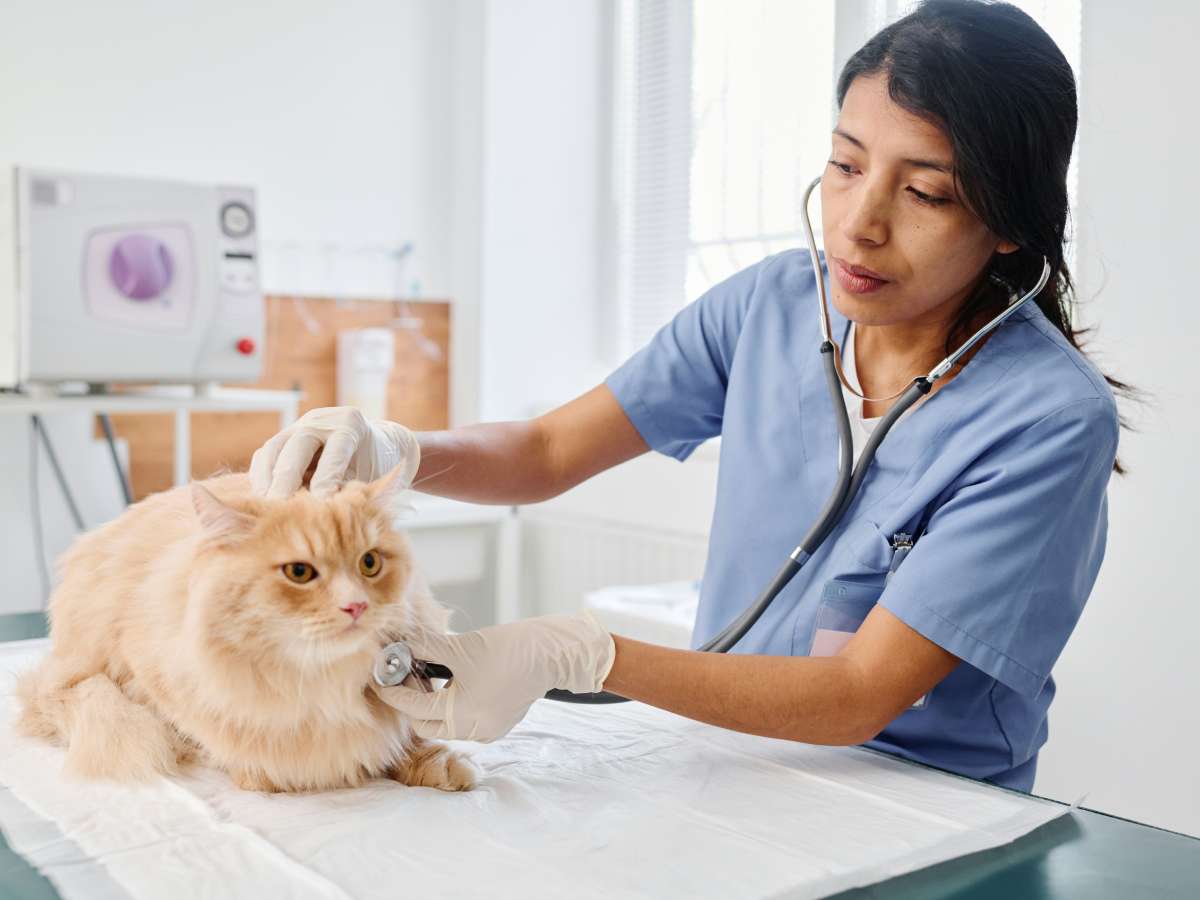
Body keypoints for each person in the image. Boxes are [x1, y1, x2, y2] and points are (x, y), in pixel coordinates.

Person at [249, 0, 1125, 791]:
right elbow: (549, 451)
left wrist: (587, 656)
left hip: (922, 810)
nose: (861, 220)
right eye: (845, 165)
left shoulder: (1047, 418)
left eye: (925, 191)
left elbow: (860, 695)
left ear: (1010, 225)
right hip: (727, 765)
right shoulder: (772, 308)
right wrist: (398, 451)